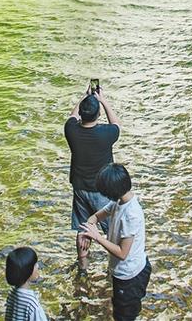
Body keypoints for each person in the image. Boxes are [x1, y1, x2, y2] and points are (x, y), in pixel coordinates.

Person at [80, 163, 151, 321]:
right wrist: (88, 229)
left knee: (124, 315)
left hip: (130, 276)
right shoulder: (119, 201)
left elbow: (122, 253)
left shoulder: (131, 214)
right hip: (125, 272)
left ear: (112, 191)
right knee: (120, 308)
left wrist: (97, 237)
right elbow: (96, 216)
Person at [64, 86, 121, 274]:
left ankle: (83, 266)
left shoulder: (71, 130)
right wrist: (103, 100)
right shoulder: (106, 134)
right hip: (102, 190)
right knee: (111, 231)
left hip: (80, 187)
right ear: (98, 115)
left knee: (83, 227)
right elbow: (117, 124)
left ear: (81, 113)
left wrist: (84, 97)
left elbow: (72, 117)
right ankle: (115, 268)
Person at [4, 246, 49, 321]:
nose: (37, 266)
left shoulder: (12, 293)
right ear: (27, 272)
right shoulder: (31, 302)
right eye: (34, 265)